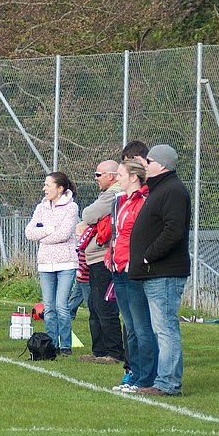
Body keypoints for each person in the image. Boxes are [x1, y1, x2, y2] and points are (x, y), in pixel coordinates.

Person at [129, 144, 190, 397]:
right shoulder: (160, 189)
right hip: (154, 271)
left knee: (165, 328)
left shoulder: (172, 190)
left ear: (162, 165)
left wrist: (148, 255)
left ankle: (168, 383)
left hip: (164, 272)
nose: (145, 164)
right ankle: (163, 380)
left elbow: (174, 231)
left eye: (150, 161)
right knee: (160, 328)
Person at [106, 159, 157, 392]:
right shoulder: (121, 201)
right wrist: (110, 255)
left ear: (134, 177)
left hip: (132, 270)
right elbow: (117, 233)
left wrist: (134, 260)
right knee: (130, 326)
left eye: (120, 174)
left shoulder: (145, 201)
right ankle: (133, 375)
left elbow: (144, 236)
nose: (117, 178)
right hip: (117, 268)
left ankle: (146, 378)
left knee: (141, 327)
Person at [24, 172, 79, 356]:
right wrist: (49, 229)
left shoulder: (71, 207)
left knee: (62, 306)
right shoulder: (41, 207)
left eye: (48, 185)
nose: (44, 189)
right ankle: (51, 344)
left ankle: (66, 346)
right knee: (48, 308)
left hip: (66, 263)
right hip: (45, 264)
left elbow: (64, 234)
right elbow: (29, 232)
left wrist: (42, 236)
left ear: (60, 188)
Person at [80, 159, 125, 364]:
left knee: (104, 306)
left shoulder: (114, 194)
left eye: (98, 175)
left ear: (111, 176)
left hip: (104, 258)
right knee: (94, 305)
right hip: (96, 257)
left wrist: (89, 218)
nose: (95, 178)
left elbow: (89, 215)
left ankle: (114, 352)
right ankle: (98, 351)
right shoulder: (108, 194)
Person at [67, 221, 91, 321]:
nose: (77, 238)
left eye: (78, 235)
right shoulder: (79, 247)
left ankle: (94, 315)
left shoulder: (87, 247)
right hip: (80, 279)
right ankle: (70, 314)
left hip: (86, 279)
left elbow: (88, 261)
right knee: (75, 297)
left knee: (88, 299)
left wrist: (80, 270)